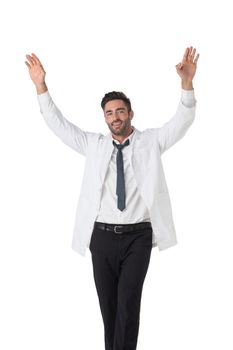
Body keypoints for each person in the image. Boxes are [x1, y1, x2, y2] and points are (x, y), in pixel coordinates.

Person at [25, 46, 199, 350]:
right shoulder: (94, 145)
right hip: (102, 236)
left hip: (138, 237)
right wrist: (41, 86)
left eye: (120, 111)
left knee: (128, 303)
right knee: (109, 309)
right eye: (109, 113)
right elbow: (58, 124)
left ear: (130, 113)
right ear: (104, 118)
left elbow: (182, 121)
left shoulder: (151, 141)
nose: (115, 117)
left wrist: (187, 83)